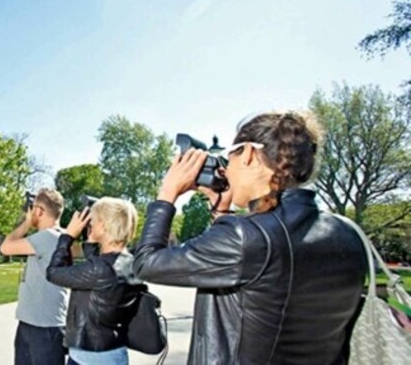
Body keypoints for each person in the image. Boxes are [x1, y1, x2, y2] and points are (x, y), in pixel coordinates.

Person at [133, 111, 368, 364]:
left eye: (229, 157)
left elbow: (147, 262)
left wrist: (166, 194)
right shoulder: (348, 232)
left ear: (247, 154)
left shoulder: (248, 236)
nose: (228, 170)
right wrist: (222, 212)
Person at [46, 197, 142, 365]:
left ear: (104, 226)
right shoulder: (131, 263)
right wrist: (90, 244)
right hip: (115, 352)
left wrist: (67, 237)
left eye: (94, 221)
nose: (89, 224)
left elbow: (53, 273)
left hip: (89, 358)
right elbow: (100, 279)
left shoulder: (100, 269)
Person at [1, 188, 69, 365]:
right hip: (37, 324)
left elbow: (5, 247)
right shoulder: (60, 237)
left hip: (42, 329)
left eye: (33, 208)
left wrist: (26, 223)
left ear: (39, 211)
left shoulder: (47, 237)